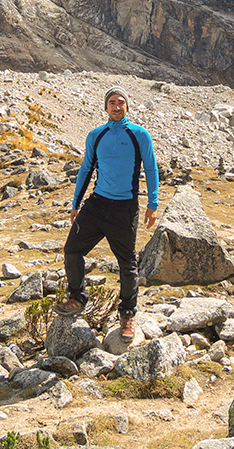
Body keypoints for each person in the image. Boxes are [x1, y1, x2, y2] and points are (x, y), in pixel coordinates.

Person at [58, 86, 159, 341]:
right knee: (72, 250)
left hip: (124, 208)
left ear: (127, 107)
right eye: (112, 102)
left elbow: (151, 167)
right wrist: (76, 204)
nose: (116, 106)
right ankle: (77, 297)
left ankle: (127, 316)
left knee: (127, 263)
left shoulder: (139, 134)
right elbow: (85, 169)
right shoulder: (96, 135)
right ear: (105, 107)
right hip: (97, 205)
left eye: (121, 102)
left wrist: (153, 204)